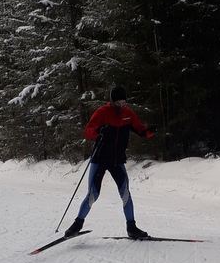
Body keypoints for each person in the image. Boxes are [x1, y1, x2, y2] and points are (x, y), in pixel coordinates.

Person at [64, 86, 156, 239]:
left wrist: (150, 130)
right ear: (112, 101)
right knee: (93, 194)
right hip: (100, 159)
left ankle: (131, 227)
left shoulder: (128, 114)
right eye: (118, 103)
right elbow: (87, 132)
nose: (121, 106)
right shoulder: (102, 112)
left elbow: (142, 131)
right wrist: (99, 131)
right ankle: (76, 225)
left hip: (117, 160)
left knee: (125, 192)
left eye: (123, 103)